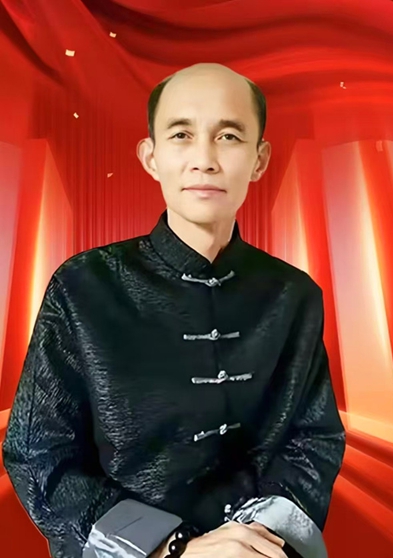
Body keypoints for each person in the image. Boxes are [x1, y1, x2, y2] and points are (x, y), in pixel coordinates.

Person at [2, 63, 346, 558]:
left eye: (229, 136)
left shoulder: (294, 295)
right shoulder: (83, 286)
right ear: (151, 156)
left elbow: (314, 438)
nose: (204, 160)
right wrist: (170, 546)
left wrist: (253, 541)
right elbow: (38, 453)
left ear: (259, 159)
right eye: (182, 135)